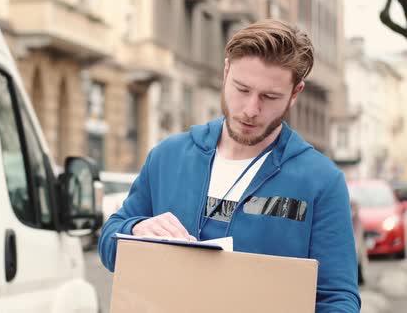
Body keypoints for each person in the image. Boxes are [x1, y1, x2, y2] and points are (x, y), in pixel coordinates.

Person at [98, 19, 361, 312]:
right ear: (226, 72)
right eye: (242, 89)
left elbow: (338, 298)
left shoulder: (321, 181)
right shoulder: (167, 157)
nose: (251, 109)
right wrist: (136, 229)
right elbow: (110, 242)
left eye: (269, 97)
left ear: (295, 93)